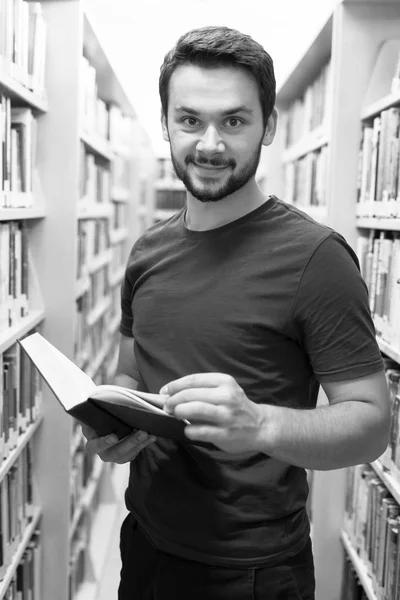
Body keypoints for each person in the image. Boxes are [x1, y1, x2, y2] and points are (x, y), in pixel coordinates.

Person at [82, 25, 390, 599]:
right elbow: (131, 371)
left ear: (269, 127)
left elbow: (372, 424)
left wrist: (261, 424)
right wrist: (112, 419)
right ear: (167, 123)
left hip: (253, 572)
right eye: (191, 120)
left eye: (235, 121)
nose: (210, 145)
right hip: (145, 544)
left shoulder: (316, 258)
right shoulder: (147, 250)